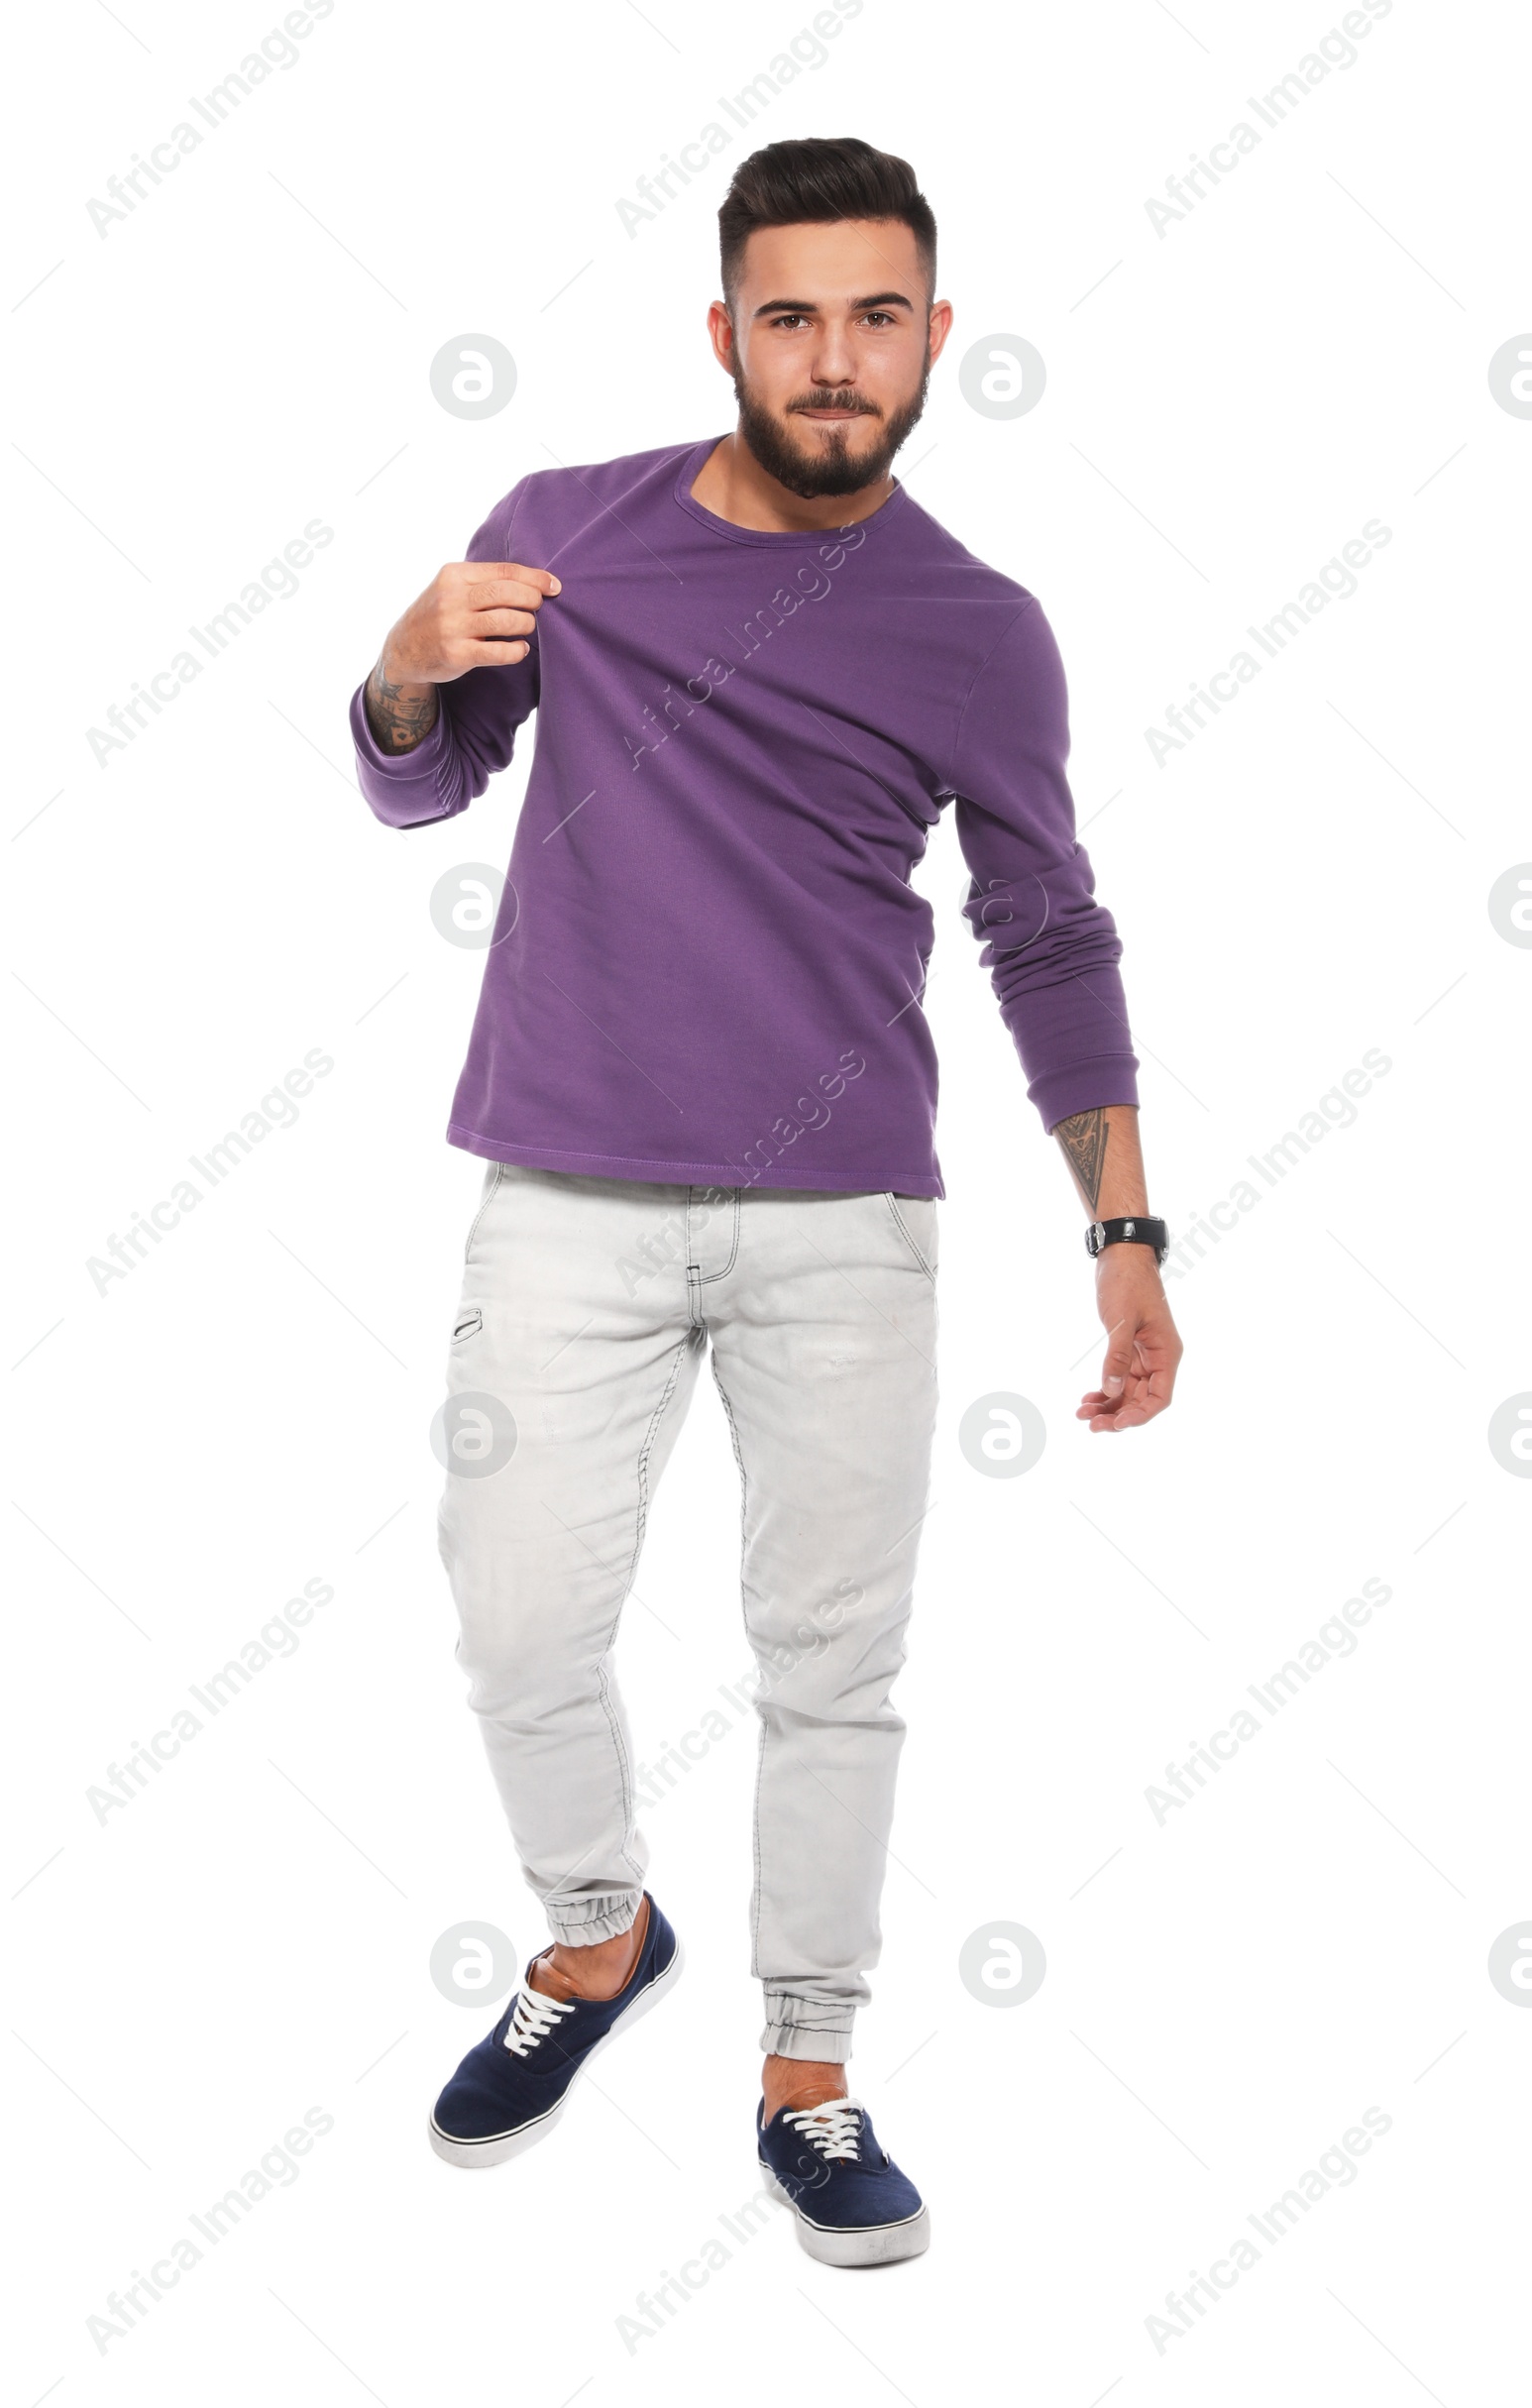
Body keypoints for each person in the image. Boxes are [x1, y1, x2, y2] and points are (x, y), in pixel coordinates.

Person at [349, 136, 1181, 2267]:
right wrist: (402, 662)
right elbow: (415, 780)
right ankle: (594, 1935)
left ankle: (807, 2068)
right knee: (516, 1616)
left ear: (933, 340)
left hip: (841, 1225)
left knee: (830, 1665)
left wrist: (1123, 1237)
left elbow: (1047, 937)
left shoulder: (976, 630)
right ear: (723, 333)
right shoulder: (567, 534)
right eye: (790, 318)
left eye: (874, 317)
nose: (833, 362)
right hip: (564, 1195)